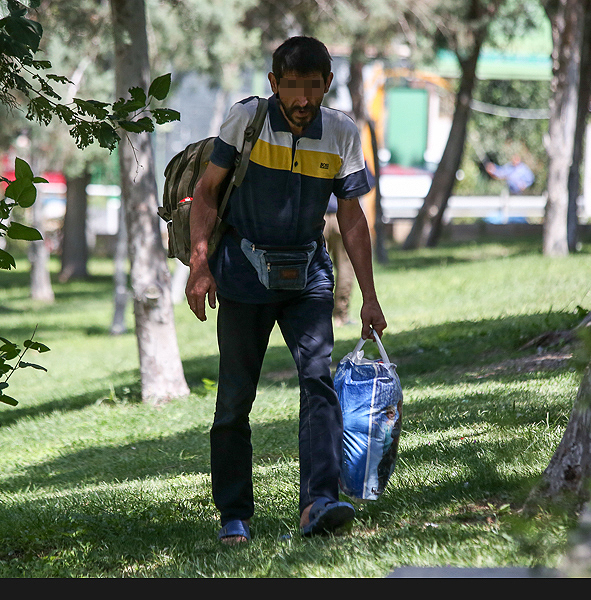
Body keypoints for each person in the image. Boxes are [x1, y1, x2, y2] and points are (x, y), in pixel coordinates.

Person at [186, 36, 387, 545]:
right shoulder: (245, 120)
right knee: (234, 398)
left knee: (319, 382)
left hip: (308, 278)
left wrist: (368, 295)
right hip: (241, 274)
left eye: (312, 88)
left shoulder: (341, 132)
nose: (302, 100)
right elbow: (207, 193)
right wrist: (200, 266)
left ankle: (319, 501)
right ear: (274, 84)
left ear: (327, 86)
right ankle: (234, 514)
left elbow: (352, 217)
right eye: (291, 87)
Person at [323, 194, 354, 327]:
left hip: (316, 217)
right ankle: (341, 316)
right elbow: (366, 182)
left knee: (314, 268)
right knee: (345, 267)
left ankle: (317, 315)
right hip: (342, 217)